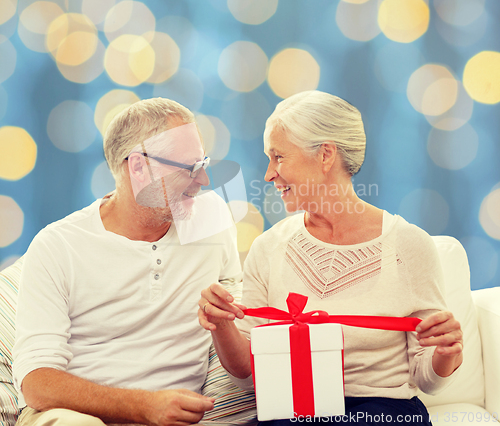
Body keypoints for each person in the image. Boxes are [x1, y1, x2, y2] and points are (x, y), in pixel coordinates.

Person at [199, 91, 463, 425]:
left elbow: (427, 378)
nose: (268, 174)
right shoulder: (269, 248)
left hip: (381, 414)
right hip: (294, 414)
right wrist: (220, 324)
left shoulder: (408, 246)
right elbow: (248, 375)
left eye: (278, 157)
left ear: (325, 155)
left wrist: (446, 352)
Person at [13, 98, 241, 426]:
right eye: (188, 168)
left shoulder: (212, 218)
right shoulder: (58, 246)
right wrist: (143, 406)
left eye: (203, 163)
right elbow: (37, 383)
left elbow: (241, 348)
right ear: (138, 167)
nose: (203, 180)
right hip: (74, 416)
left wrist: (222, 320)